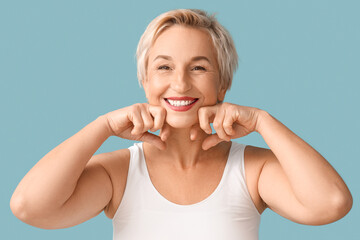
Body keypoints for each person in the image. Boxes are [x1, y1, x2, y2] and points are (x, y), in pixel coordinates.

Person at [10, 9, 352, 240]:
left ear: (223, 84)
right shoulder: (119, 174)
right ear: (144, 81)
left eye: (199, 68)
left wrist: (263, 121)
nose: (181, 83)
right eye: (164, 67)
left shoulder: (252, 170)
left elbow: (332, 203)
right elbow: (29, 207)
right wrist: (102, 127)